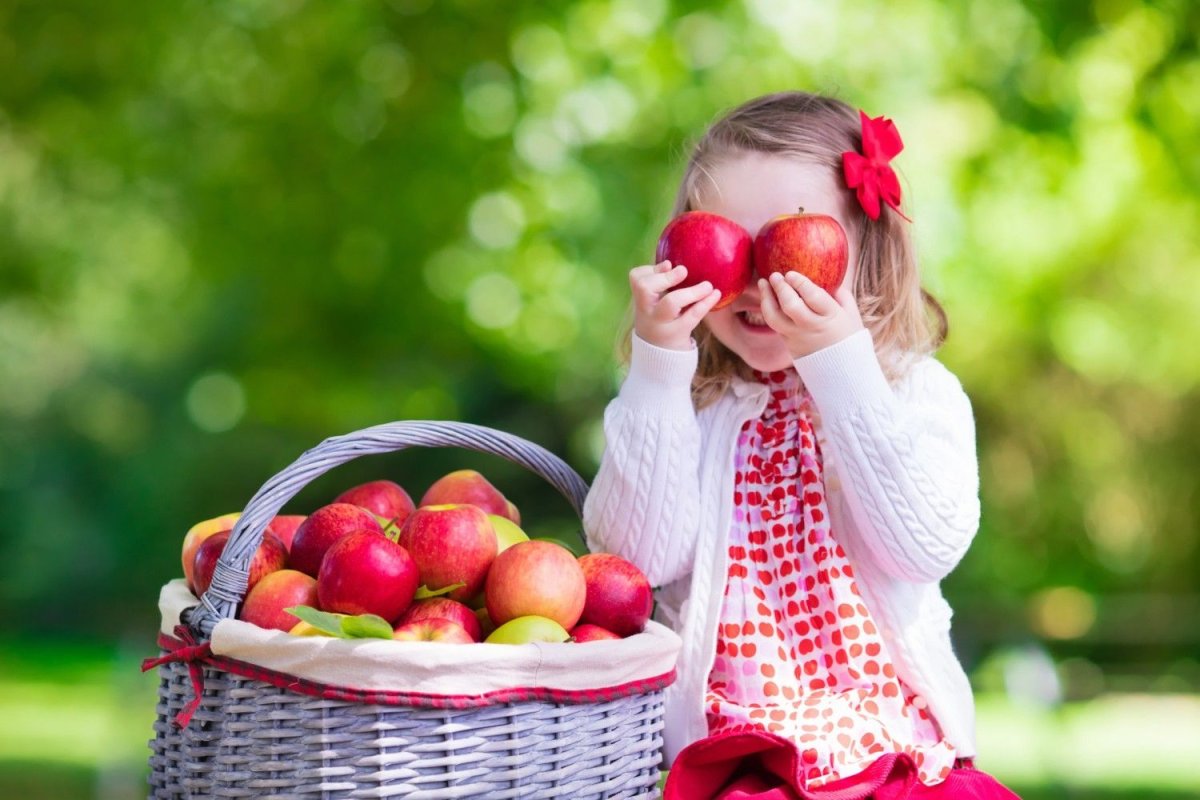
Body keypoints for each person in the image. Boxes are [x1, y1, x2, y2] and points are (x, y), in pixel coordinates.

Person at [582, 91, 1020, 799]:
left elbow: (923, 545)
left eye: (787, 243)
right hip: (740, 757)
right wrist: (658, 363)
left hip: (899, 750)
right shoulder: (688, 408)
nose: (757, 283)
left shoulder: (913, 393)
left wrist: (840, 363)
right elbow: (634, 561)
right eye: (727, 247)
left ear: (864, 252)